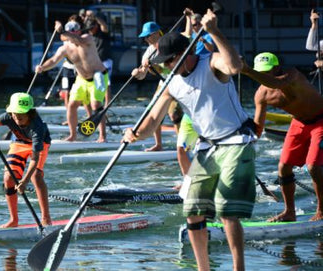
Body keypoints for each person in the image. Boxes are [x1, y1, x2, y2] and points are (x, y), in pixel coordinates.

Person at [123, 10, 256, 270]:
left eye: (168, 61)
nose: (165, 66)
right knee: (193, 212)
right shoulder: (172, 82)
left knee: (227, 211)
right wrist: (136, 134)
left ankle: (238, 268)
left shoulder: (211, 62)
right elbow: (153, 119)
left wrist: (215, 31)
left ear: (184, 55)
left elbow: (235, 67)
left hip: (236, 141)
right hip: (207, 147)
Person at [241, 52, 323, 222]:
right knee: (283, 167)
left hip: (320, 119)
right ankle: (289, 212)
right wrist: (243, 136)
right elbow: (258, 128)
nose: (263, 76)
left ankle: (321, 210)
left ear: (277, 68)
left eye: (267, 71)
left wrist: (247, 70)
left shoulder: (292, 75)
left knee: (313, 166)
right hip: (298, 123)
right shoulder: (261, 95)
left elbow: (277, 82)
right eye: (260, 72)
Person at [0, 92, 52, 228]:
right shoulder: (8, 116)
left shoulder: (37, 127)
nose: (16, 117)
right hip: (19, 143)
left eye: (21, 114)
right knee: (9, 178)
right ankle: (13, 220)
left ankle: (46, 218)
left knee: (36, 176)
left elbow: (34, 159)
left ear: (30, 113)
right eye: (14, 113)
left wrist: (24, 181)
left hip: (39, 145)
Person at [132, 21, 198, 176]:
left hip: (181, 81)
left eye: (148, 36)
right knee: (155, 115)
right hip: (164, 85)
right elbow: (142, 74)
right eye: (145, 37)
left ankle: (183, 143)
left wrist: (188, 19)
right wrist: (138, 73)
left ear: (157, 33)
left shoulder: (169, 42)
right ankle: (159, 144)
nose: (147, 39)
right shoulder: (148, 52)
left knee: (175, 115)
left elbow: (187, 39)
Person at [36, 16, 109, 143]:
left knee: (96, 105)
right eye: (70, 30)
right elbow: (53, 60)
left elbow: (78, 40)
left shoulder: (87, 38)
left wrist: (63, 32)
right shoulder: (65, 48)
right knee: (71, 105)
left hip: (98, 76)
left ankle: (102, 136)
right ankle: (73, 135)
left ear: (80, 30)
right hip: (81, 79)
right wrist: (42, 67)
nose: (73, 32)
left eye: (75, 29)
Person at [84, 10, 112, 104]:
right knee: (92, 83)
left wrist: (95, 16)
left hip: (105, 61)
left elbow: (104, 26)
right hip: (94, 63)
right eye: (89, 29)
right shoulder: (88, 36)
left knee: (106, 83)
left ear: (96, 26)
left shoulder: (103, 33)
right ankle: (95, 104)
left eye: (92, 28)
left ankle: (107, 105)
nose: (90, 30)